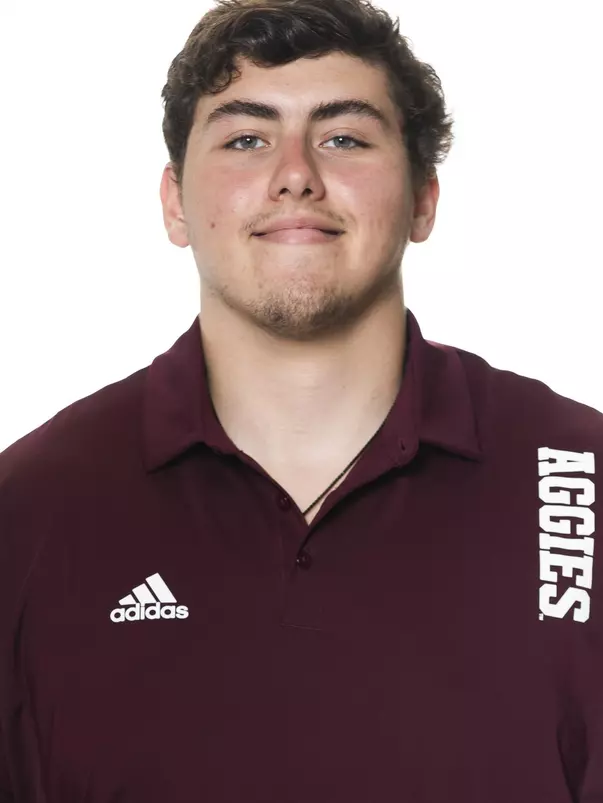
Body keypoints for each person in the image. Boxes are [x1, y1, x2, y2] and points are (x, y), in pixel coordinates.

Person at [0, 0, 601, 799]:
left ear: (423, 199)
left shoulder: (579, 482)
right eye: (246, 138)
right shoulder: (31, 511)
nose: (294, 174)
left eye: (343, 137)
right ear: (175, 202)